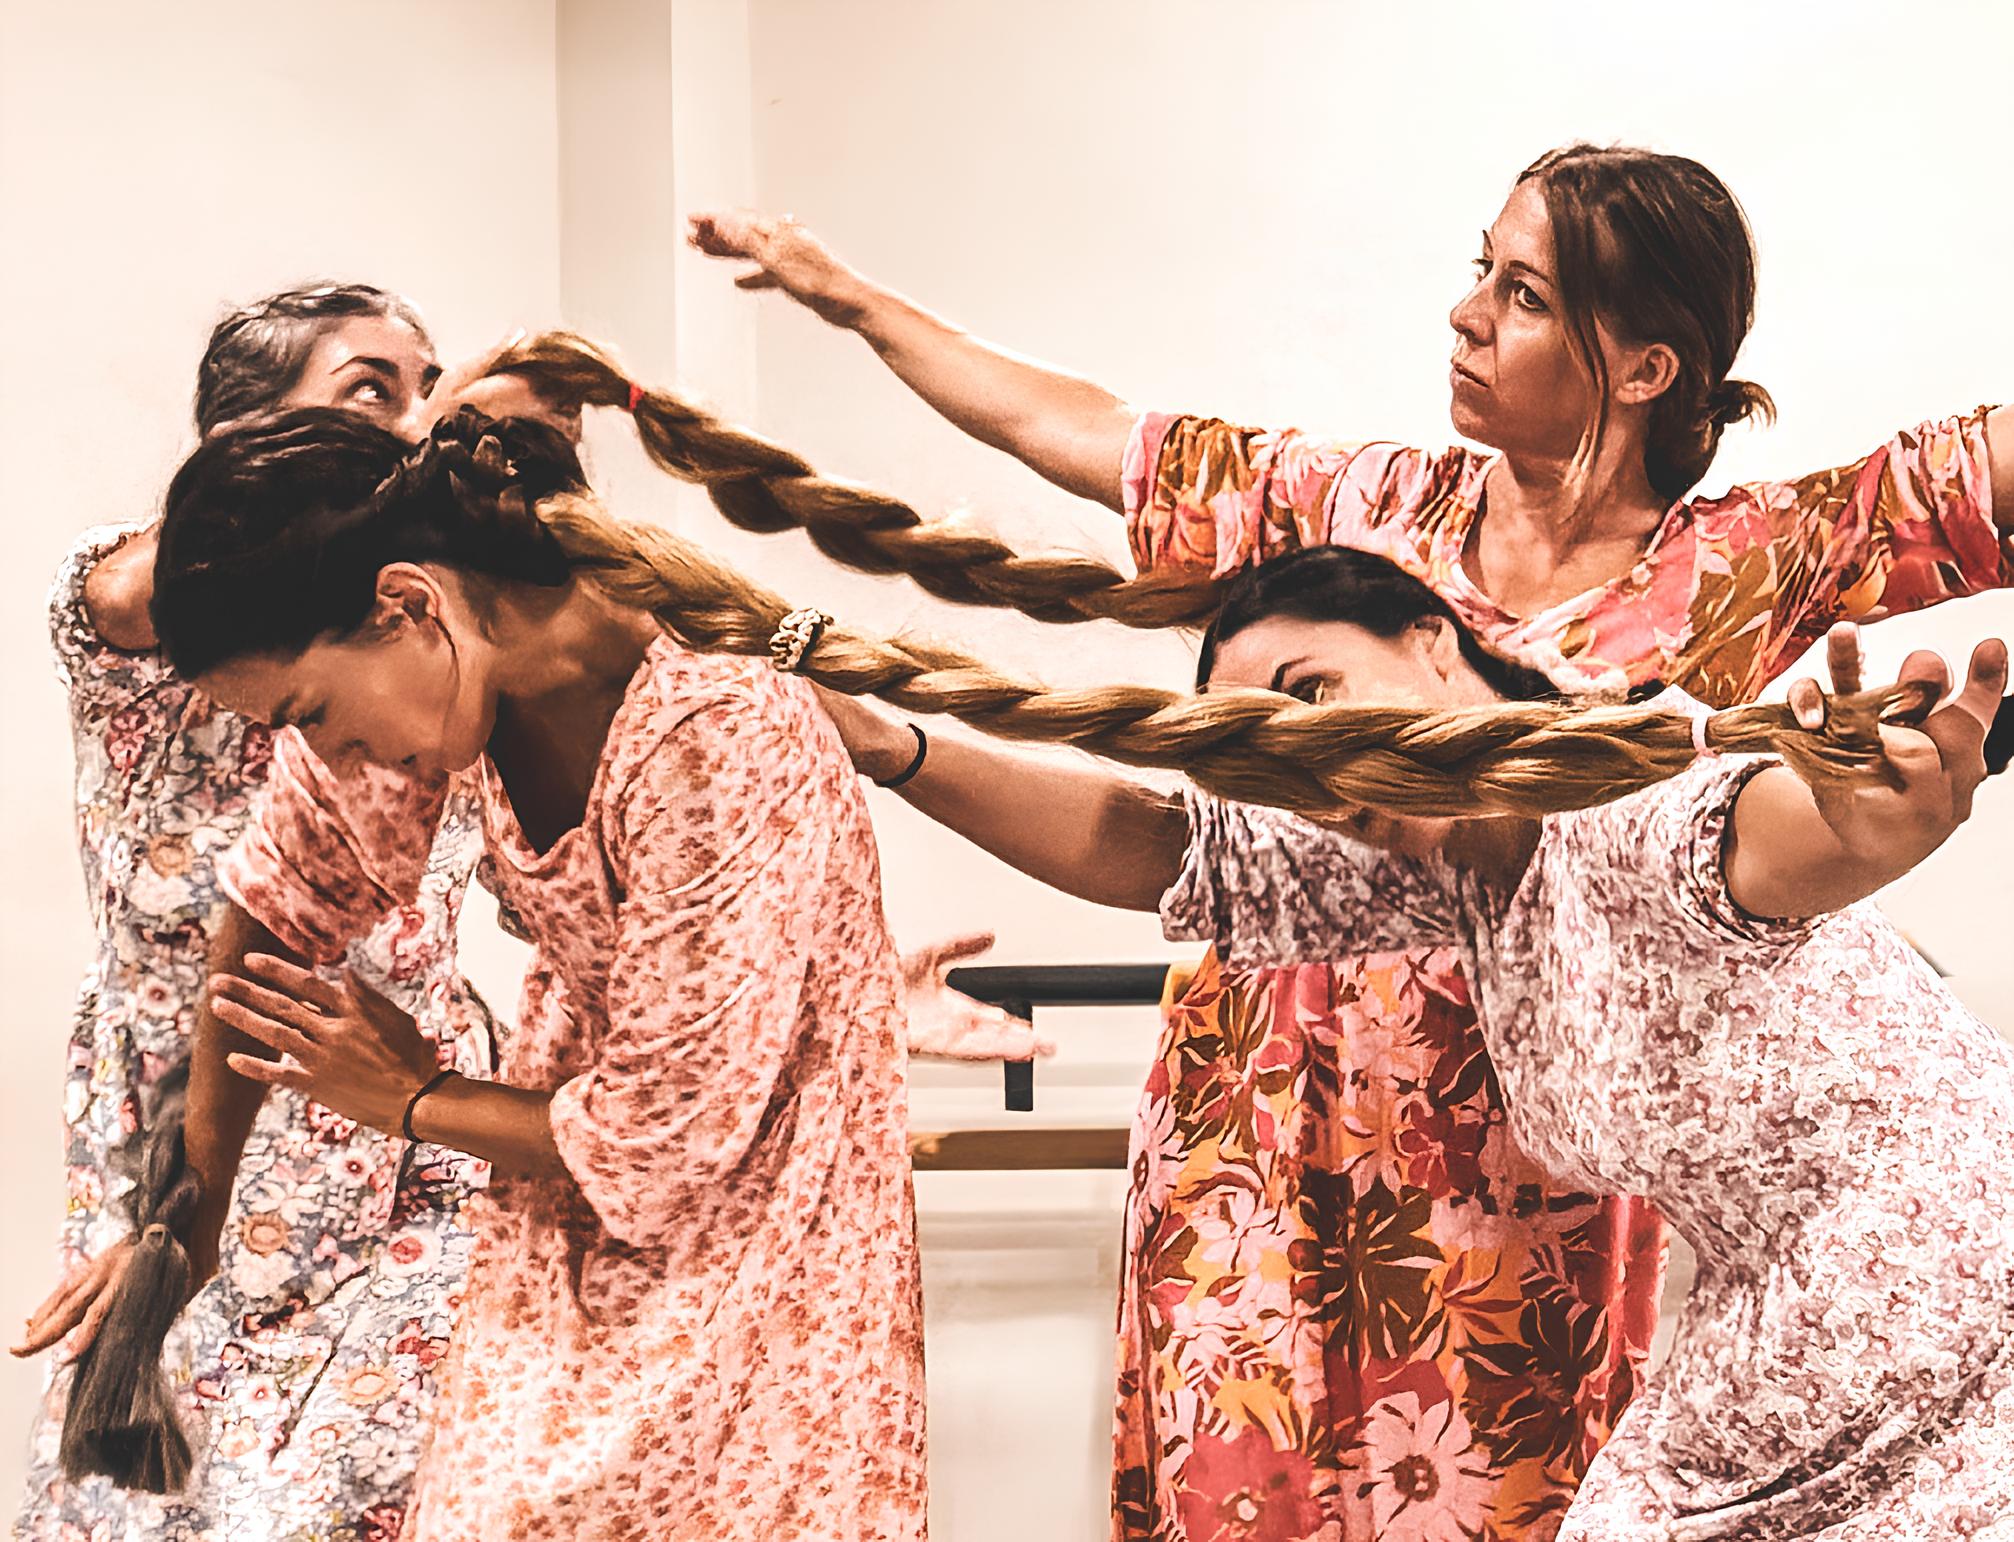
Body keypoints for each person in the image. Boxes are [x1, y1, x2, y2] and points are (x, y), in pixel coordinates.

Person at [689, 141, 2013, 1536]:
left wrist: (1877, 819)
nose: (1464, 314)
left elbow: (1765, 834)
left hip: (1522, 1176)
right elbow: (1095, 464)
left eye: (1521, 292)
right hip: (1263, 1120)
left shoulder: (1728, 603)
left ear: (1645, 366)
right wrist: (846, 299)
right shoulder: (1365, 524)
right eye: (1478, 273)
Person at [815, 541, 2014, 1537]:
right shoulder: (1450, 866)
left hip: (1952, 1321)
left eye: (1310, 692)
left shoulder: (1613, 789)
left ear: (1435, 643)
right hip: (1787, 1344)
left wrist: (1865, 825)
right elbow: (1164, 850)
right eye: (1256, 754)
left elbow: (1764, 836)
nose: (1298, 761)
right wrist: (891, 749)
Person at [147, 408, 930, 1541]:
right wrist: (183, 1230)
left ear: (409, 603)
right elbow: (279, 898)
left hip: (772, 1259)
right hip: (572, 1239)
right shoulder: (452, 689)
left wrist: (413, 1099)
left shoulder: (714, 724)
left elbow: (669, 1139)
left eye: (308, 712)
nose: (321, 753)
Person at [12, 284, 510, 1542]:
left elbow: (566, 869)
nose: (416, 424)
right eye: (371, 390)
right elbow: (141, 590)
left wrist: (836, 975)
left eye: (428, 389)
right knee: (150, 1504)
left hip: (407, 1128)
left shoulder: (428, 634)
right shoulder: (143, 617)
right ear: (248, 438)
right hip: (189, 1145)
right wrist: (307, 496)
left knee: (382, 1502)